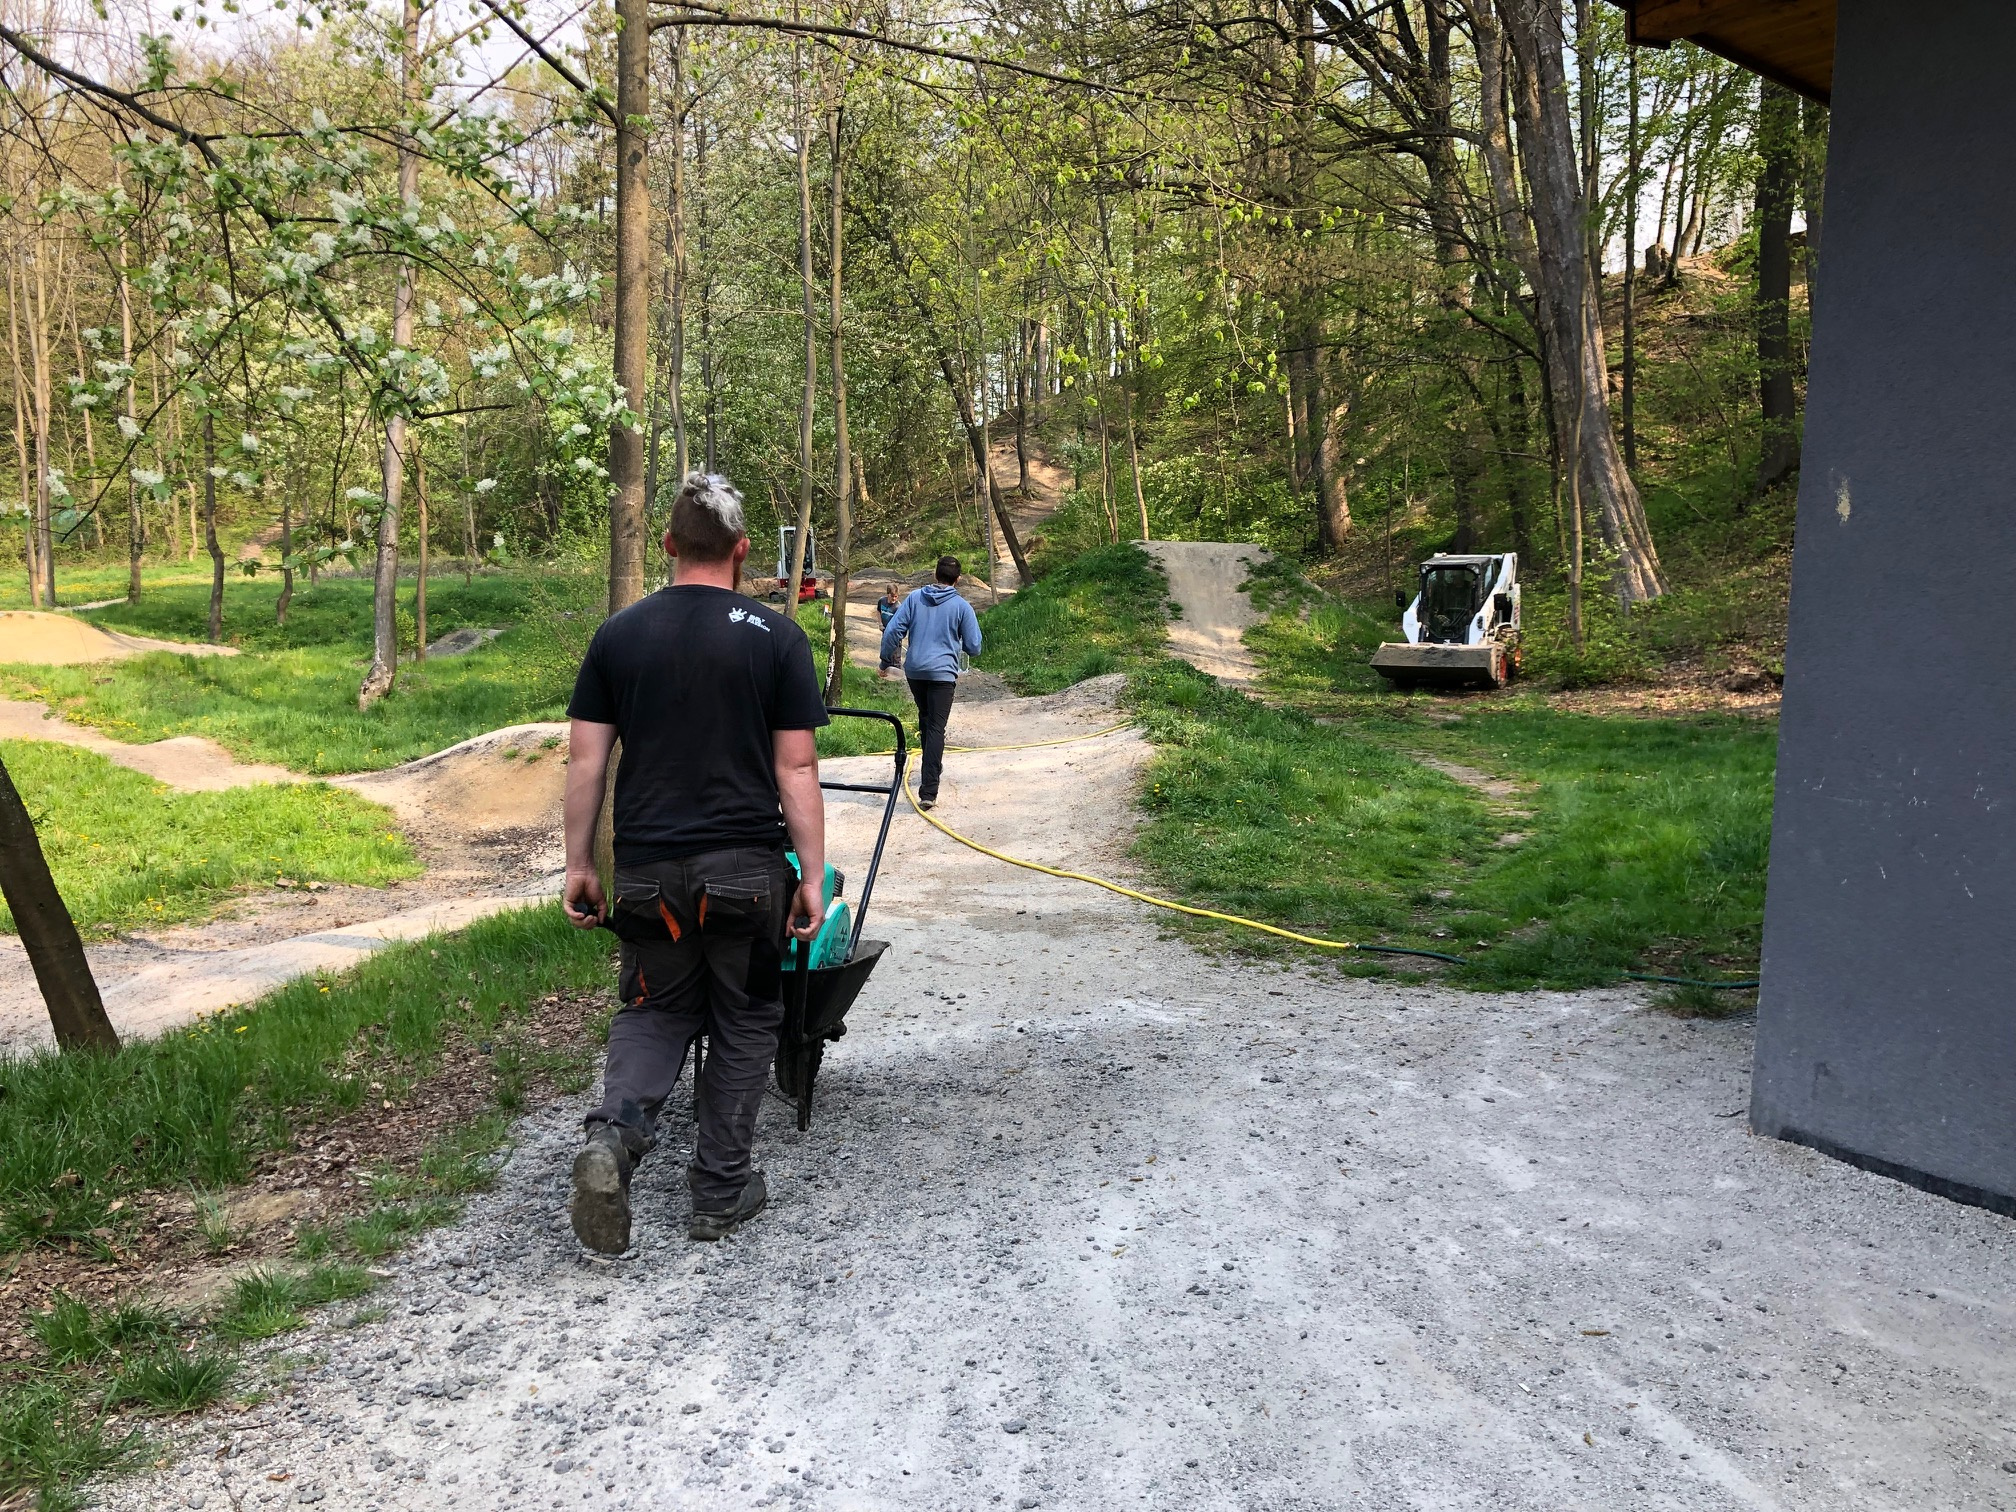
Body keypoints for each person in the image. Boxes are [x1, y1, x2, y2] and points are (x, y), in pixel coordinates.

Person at [560, 472, 829, 1252]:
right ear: (742, 551)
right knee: (745, 1017)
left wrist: (579, 865)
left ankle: (614, 1138)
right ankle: (718, 1191)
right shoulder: (777, 637)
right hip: (745, 875)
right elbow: (797, 769)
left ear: (668, 544)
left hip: (648, 874)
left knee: (654, 1009)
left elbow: (585, 761)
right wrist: (812, 878)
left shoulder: (619, 636)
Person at [879, 554, 982, 811]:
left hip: (915, 673)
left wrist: (885, 661)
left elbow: (892, 631)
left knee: (926, 719)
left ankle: (931, 765)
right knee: (936, 727)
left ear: (935, 575)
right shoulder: (962, 607)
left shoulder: (914, 599)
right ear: (958, 579)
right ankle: (929, 790)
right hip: (942, 675)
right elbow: (974, 646)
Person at [876, 582, 904, 679]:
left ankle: (897, 676)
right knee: (885, 651)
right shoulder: (882, 601)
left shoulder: (898, 607)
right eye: (892, 596)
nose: (894, 599)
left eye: (896, 597)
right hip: (885, 632)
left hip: (894, 634)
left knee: (895, 655)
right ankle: (885, 673)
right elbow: (878, 611)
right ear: (888, 594)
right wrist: (880, 624)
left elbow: (900, 622)